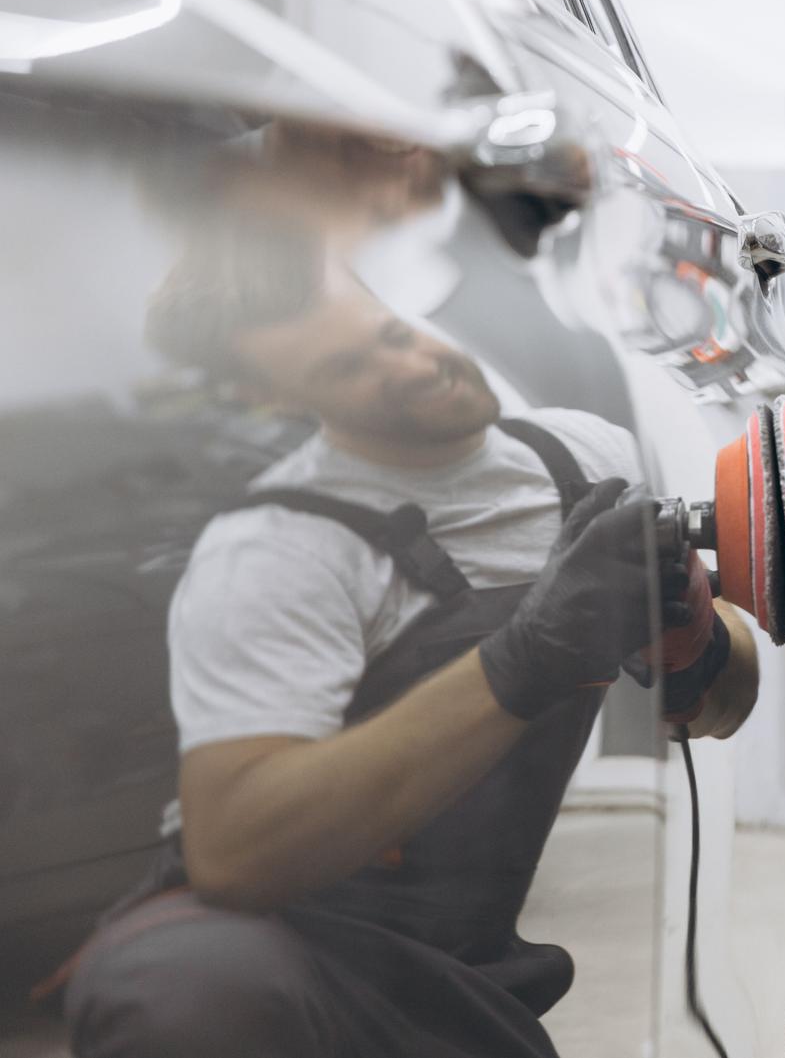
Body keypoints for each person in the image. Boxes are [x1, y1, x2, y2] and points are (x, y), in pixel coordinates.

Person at [61, 217, 749, 1058]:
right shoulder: (278, 550)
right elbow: (231, 850)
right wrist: (525, 655)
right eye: (350, 367)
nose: (415, 365)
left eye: (391, 332)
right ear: (271, 399)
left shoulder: (583, 458)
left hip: (461, 972)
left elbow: (719, 706)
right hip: (267, 955)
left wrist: (694, 641)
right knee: (189, 990)